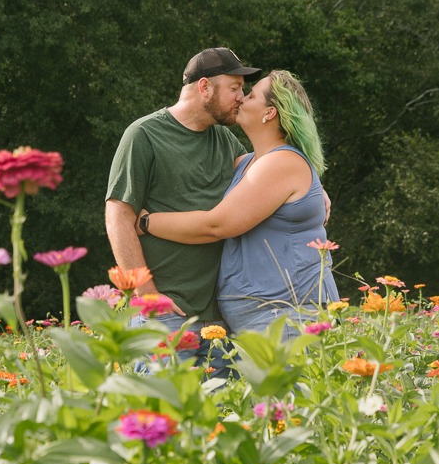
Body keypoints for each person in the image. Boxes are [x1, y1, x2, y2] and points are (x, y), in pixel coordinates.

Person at [140, 69, 339, 336]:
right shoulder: (248, 163)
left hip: (288, 312)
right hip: (264, 315)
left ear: (270, 113)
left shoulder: (282, 162)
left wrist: (145, 221)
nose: (242, 99)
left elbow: (217, 225)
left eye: (252, 95)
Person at [105, 47, 258, 364]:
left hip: (219, 320)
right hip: (165, 315)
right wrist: (148, 296)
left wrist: (311, 182)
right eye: (234, 88)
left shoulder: (224, 140)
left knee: (220, 413)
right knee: (163, 412)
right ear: (205, 88)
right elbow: (118, 218)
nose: (241, 98)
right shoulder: (144, 135)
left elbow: (265, 176)